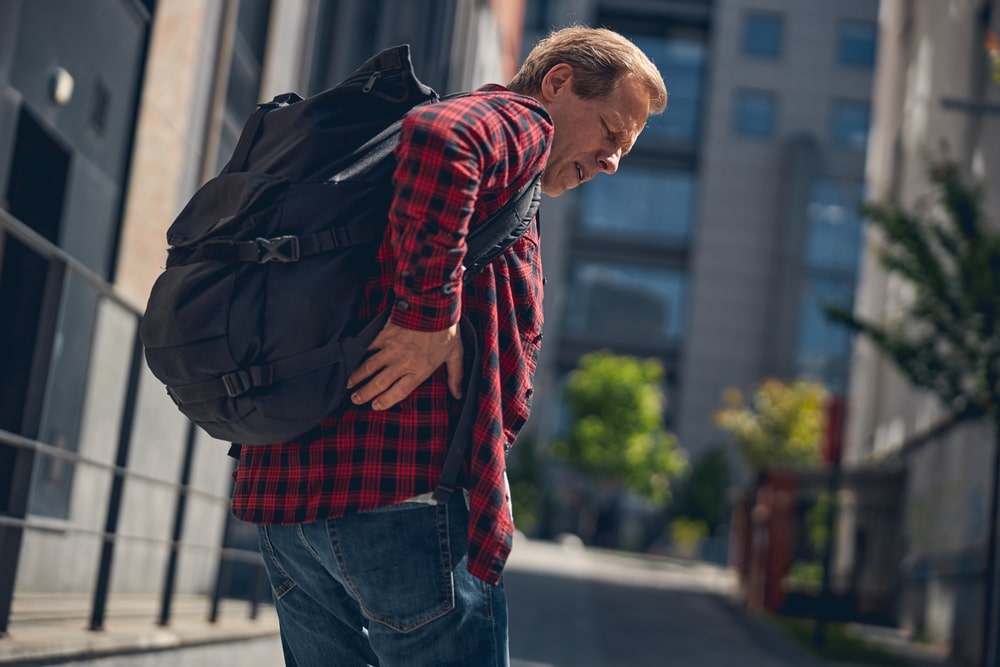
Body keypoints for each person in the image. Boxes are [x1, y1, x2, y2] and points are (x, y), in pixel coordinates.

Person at [231, 25, 667, 667]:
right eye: (608, 131)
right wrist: (426, 319)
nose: (611, 161)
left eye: (624, 148)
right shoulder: (521, 119)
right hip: (396, 502)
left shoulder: (492, 186)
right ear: (558, 83)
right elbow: (444, 136)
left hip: (292, 499)